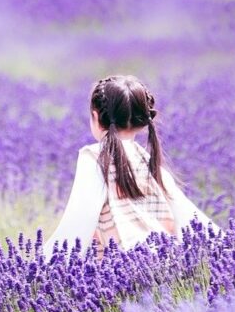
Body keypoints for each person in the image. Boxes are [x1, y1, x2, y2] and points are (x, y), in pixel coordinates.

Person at [41, 74, 222, 260]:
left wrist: (37, 268)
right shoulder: (148, 161)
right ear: (142, 121)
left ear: (95, 117)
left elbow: (75, 228)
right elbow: (193, 222)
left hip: (125, 275)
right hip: (169, 268)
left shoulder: (95, 158)